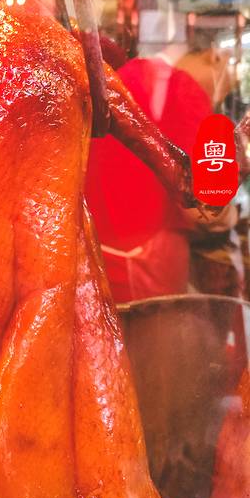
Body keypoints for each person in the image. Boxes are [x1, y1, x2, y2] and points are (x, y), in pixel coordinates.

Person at [86, 32, 235, 303]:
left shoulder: (124, 75)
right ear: (214, 57)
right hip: (149, 277)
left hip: (97, 265)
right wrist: (230, 214)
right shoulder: (186, 90)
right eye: (226, 82)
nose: (220, 93)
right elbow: (205, 209)